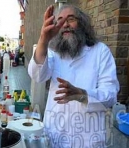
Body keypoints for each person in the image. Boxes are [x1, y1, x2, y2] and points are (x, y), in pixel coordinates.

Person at [28, 5, 119, 147]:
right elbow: (37, 75)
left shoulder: (100, 52)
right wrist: (43, 39)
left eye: (71, 19)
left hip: (87, 138)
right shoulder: (53, 53)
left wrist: (83, 95)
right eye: (60, 21)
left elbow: (111, 95)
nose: (65, 25)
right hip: (55, 133)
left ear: (82, 23)